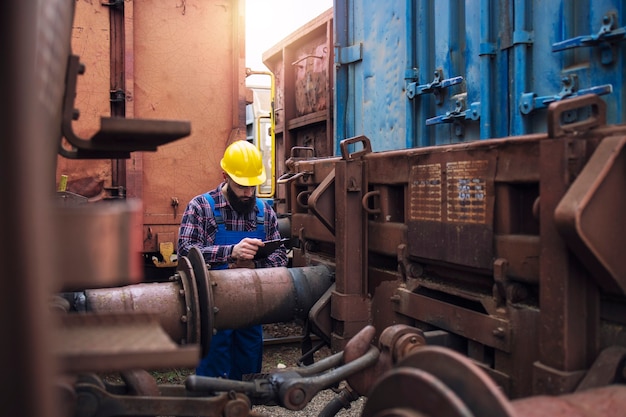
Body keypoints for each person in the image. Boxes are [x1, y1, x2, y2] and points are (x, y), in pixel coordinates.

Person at [177, 140, 288, 380]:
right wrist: (230, 253)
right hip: (213, 313)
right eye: (241, 186)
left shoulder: (265, 212)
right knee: (212, 381)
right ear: (225, 175)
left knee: (248, 379)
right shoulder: (200, 208)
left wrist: (255, 263)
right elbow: (185, 252)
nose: (248, 192)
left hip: (252, 310)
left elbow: (280, 258)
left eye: (252, 186)